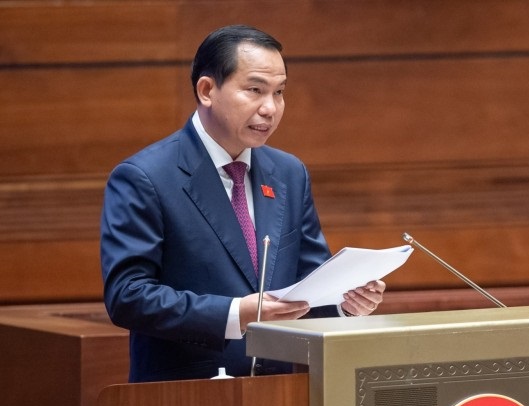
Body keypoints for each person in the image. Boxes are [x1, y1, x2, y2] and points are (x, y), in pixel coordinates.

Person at [100, 24, 385, 382]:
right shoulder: (146, 177)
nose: (270, 108)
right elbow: (128, 297)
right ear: (207, 90)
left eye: (279, 92)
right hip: (186, 396)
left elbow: (308, 285)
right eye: (255, 90)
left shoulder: (288, 173)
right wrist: (236, 314)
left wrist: (345, 301)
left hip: (282, 392)